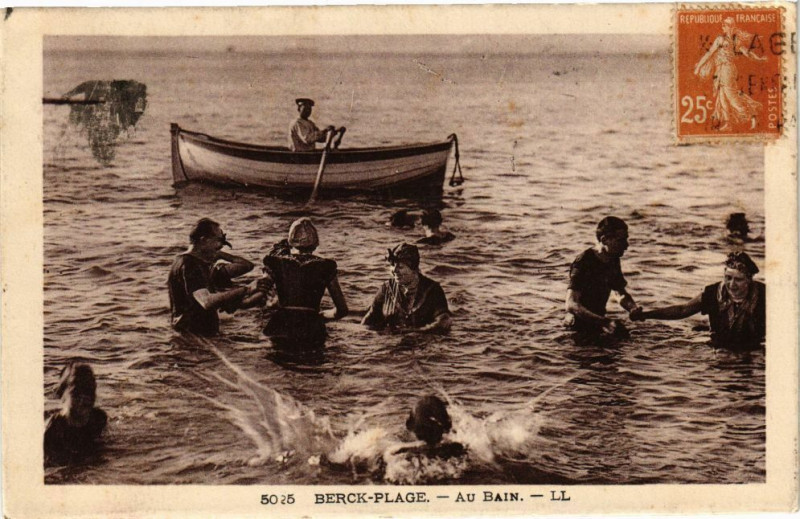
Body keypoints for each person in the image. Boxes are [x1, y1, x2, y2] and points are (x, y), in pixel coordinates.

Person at [633, 252, 765, 349]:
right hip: (719, 347)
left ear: (749, 279)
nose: (731, 284)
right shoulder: (712, 293)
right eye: (728, 277)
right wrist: (646, 315)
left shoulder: (764, 295)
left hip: (753, 348)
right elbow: (682, 310)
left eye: (738, 279)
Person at [261, 217, 348, 348]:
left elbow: (262, 294)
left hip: (281, 323)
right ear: (316, 243)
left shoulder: (276, 262)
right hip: (311, 326)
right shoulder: (326, 266)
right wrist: (322, 315)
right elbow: (342, 310)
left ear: (290, 241)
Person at [168, 218, 261, 337]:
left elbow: (246, 266)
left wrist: (216, 253)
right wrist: (247, 289)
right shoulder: (190, 264)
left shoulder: (194, 262)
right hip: (193, 333)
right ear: (203, 240)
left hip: (193, 331)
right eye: (218, 240)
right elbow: (206, 301)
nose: (221, 245)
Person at [564, 216, 642, 335]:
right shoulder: (584, 261)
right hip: (577, 326)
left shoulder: (613, 259)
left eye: (626, 239)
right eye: (621, 240)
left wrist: (633, 308)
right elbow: (571, 304)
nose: (626, 246)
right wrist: (605, 323)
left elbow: (619, 293)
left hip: (599, 322)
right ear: (604, 240)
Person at [693, 17, 767, 131]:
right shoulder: (722, 39)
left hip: (727, 70)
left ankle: (751, 115)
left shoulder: (732, 40)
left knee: (731, 96)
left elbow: (747, 53)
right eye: (722, 24)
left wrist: (759, 59)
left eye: (725, 25)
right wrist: (698, 66)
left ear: (731, 26)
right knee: (722, 97)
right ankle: (728, 123)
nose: (723, 26)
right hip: (721, 70)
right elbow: (709, 53)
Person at [362, 243, 451, 332]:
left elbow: (444, 322)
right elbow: (368, 322)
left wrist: (416, 332)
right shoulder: (386, 289)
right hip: (391, 341)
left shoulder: (433, 290)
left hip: (422, 341)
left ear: (414, 269)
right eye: (392, 266)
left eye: (400, 267)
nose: (395, 271)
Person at [44, 363, 107, 466]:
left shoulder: (99, 419)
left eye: (89, 392)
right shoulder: (52, 430)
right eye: (76, 393)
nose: (84, 399)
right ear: (61, 395)